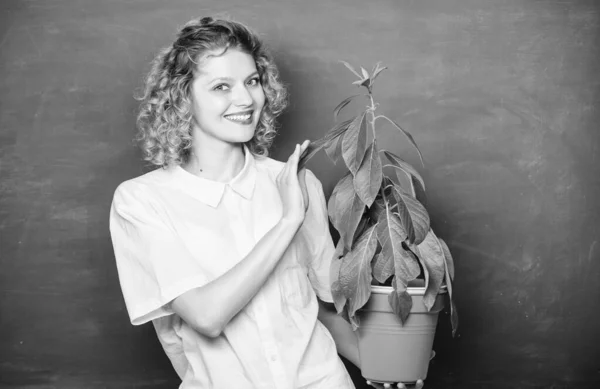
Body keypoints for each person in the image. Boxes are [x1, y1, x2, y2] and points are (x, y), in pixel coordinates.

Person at [108, 16, 357, 388]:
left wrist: (391, 365)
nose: (245, 99)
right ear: (182, 97)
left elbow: (322, 307)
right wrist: (288, 220)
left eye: (252, 81)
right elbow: (206, 317)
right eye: (221, 86)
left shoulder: (296, 181)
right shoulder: (142, 201)